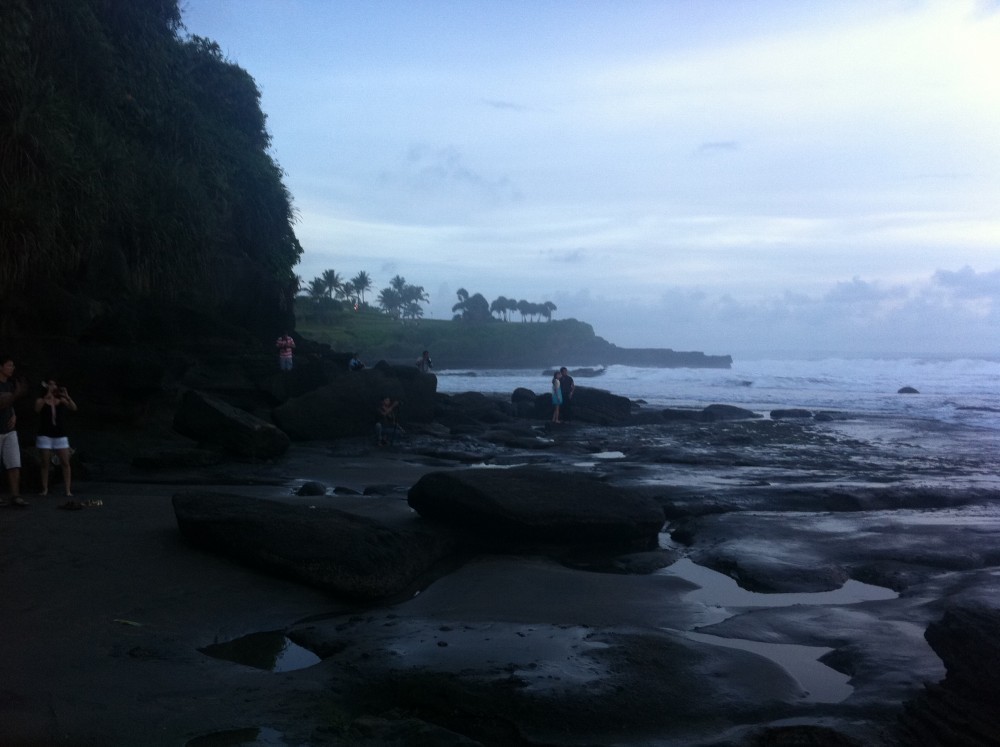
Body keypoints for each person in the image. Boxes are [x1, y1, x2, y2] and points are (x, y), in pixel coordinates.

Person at [35, 378, 78, 496]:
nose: (52, 386)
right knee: (45, 462)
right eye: (50, 384)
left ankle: (68, 490)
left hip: (60, 434)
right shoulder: (41, 400)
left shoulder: (61, 400)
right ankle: (45, 489)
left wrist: (67, 396)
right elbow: (37, 409)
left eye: (54, 384)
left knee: (65, 462)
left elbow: (74, 408)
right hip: (45, 434)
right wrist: (47, 396)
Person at [0, 355, 28, 506]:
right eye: (9, 365)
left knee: (14, 462)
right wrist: (16, 395)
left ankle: (15, 495)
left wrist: (14, 414)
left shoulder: (9, 385)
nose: (12, 368)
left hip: (9, 429)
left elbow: (9, 405)